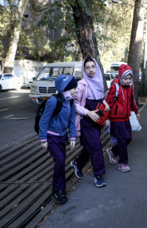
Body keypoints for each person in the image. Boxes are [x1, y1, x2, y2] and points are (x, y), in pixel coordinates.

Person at [39, 75, 77, 204]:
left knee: (61, 162)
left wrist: (72, 136)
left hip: (62, 137)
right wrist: (43, 139)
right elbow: (44, 121)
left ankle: (60, 187)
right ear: (66, 88)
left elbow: (72, 120)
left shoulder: (71, 101)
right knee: (60, 160)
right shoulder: (53, 101)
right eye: (74, 88)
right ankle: (57, 190)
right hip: (51, 136)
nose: (76, 90)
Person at [70, 56, 107, 188]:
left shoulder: (99, 82)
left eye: (93, 66)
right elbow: (74, 104)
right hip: (85, 121)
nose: (91, 69)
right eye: (87, 67)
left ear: (96, 68)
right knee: (96, 146)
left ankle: (77, 163)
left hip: (97, 121)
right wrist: (88, 112)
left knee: (89, 146)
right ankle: (98, 175)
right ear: (84, 69)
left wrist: (105, 108)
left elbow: (101, 100)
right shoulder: (81, 85)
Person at [105, 64, 140, 172]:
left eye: (129, 78)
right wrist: (106, 118)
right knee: (122, 141)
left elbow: (132, 100)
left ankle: (113, 151)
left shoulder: (130, 87)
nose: (128, 81)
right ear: (120, 77)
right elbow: (107, 103)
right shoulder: (115, 86)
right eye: (125, 79)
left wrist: (136, 111)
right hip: (116, 118)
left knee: (128, 138)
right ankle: (123, 163)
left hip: (126, 118)